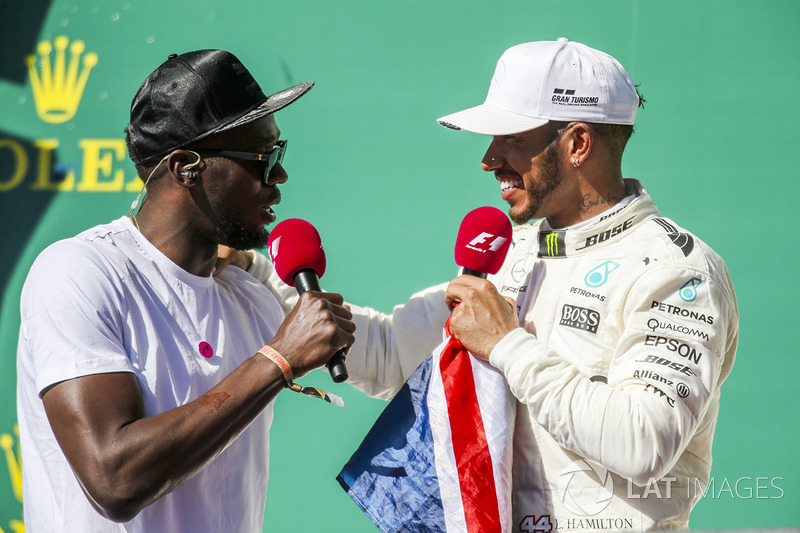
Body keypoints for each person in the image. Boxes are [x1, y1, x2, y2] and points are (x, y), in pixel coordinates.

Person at [16, 49, 363, 532]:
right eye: (264, 159)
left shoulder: (252, 299)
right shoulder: (80, 271)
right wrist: (278, 360)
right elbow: (114, 481)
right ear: (186, 167)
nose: (280, 177)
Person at [435, 38, 739, 530]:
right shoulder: (511, 249)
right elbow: (392, 354)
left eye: (511, 137)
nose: (489, 159)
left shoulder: (677, 270)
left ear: (577, 144)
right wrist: (269, 282)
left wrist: (508, 347)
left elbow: (643, 443)